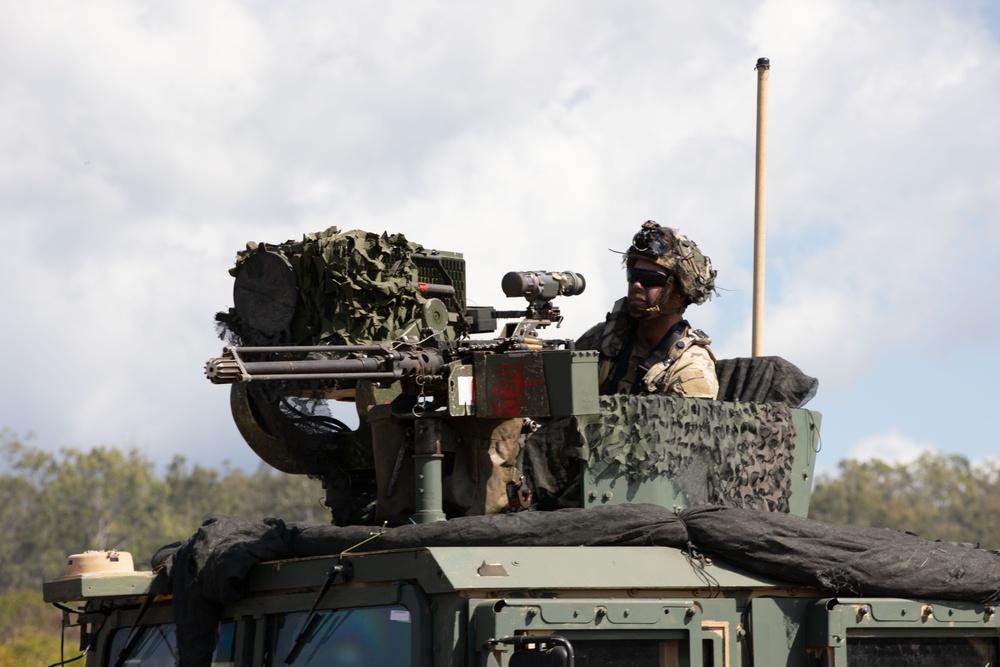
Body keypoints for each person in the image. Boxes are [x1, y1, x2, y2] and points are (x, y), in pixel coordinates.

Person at [576, 220, 719, 398]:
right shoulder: (605, 339)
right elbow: (553, 409)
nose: (636, 284)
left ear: (681, 292)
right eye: (633, 276)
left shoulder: (691, 368)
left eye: (650, 280)